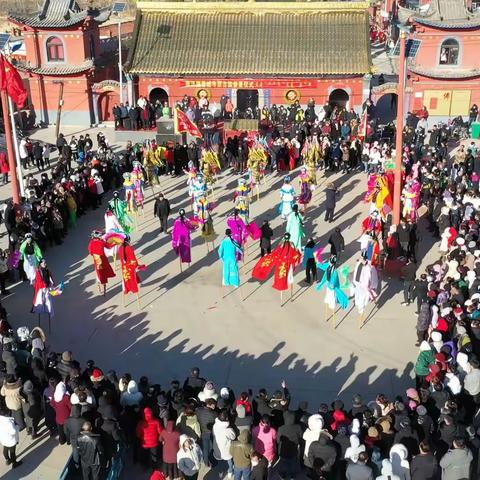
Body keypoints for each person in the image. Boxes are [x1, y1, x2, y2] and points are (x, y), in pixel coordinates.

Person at [88, 231, 115, 295]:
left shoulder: (91, 243)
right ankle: (104, 290)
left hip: (96, 260)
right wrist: (115, 242)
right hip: (103, 259)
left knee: (99, 273)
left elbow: (91, 253)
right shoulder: (101, 242)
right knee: (104, 273)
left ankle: (100, 289)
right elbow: (108, 246)